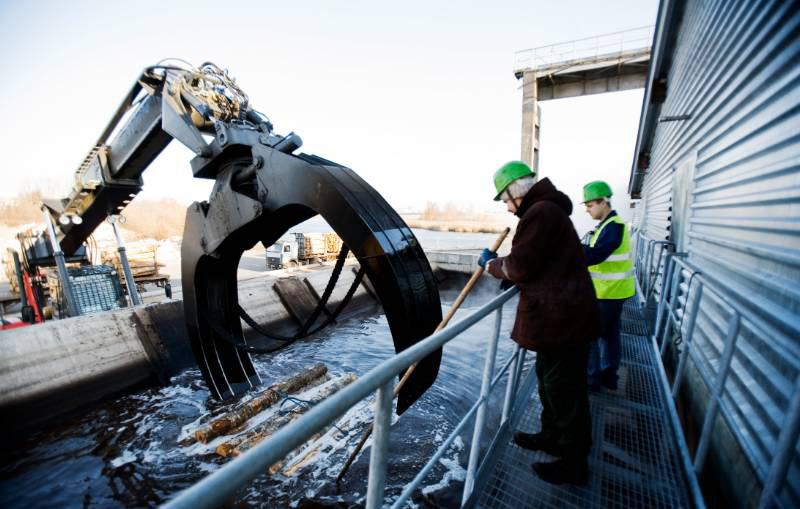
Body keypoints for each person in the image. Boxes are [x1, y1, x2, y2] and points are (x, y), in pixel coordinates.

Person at [478, 161, 600, 485]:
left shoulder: (541, 213)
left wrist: (491, 264)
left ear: (517, 191)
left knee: (566, 392)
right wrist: (507, 270)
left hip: (563, 319)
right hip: (557, 319)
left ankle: (574, 463)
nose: (506, 207)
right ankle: (551, 436)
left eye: (505, 199)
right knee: (549, 381)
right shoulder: (546, 211)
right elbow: (535, 263)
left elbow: (520, 266)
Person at [581, 181, 635, 391]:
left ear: (604, 202)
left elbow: (596, 255)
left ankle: (591, 381)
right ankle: (609, 377)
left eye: (590, 205)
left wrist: (570, 247)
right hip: (614, 292)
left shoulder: (613, 227)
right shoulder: (608, 225)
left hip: (608, 293)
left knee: (589, 335)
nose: (587, 209)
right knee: (611, 335)